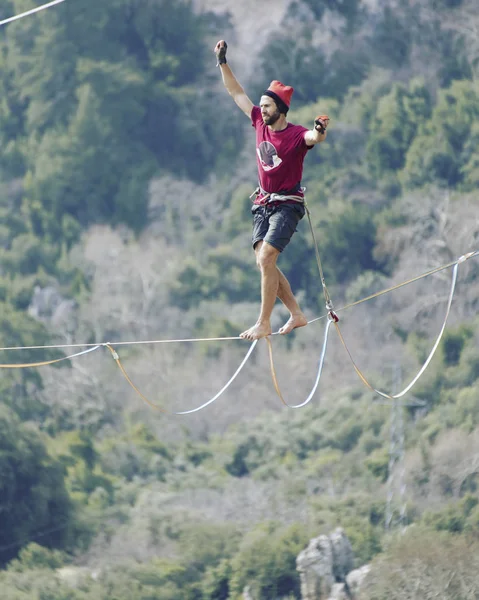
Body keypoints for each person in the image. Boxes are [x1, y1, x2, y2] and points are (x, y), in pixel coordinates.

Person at [214, 39, 329, 341]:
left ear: (280, 108)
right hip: (263, 204)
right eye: (262, 105)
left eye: (267, 106)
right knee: (263, 261)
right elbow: (236, 92)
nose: (261, 109)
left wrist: (318, 130)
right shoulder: (258, 123)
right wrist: (223, 62)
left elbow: (312, 139)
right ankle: (296, 314)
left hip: (287, 205)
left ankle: (263, 321)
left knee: (266, 259)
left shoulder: (294, 135)